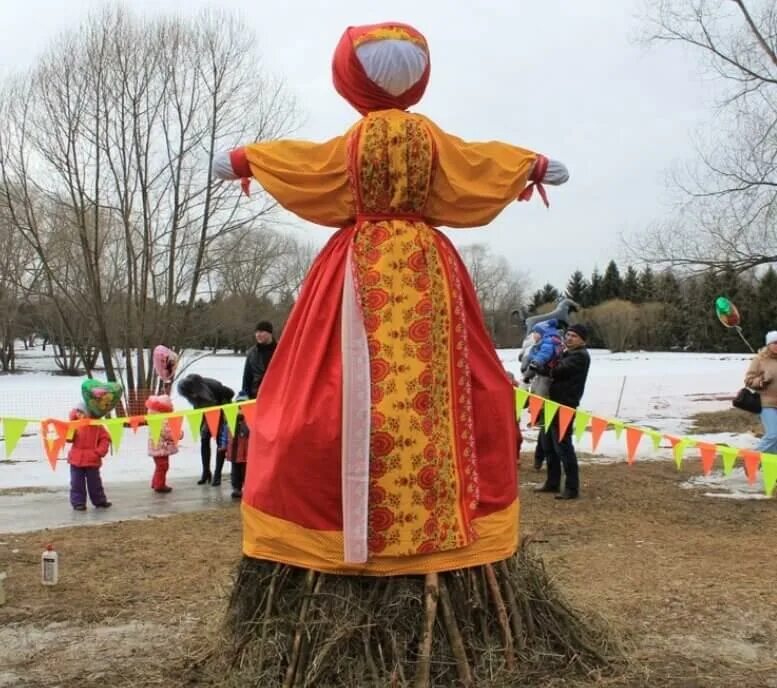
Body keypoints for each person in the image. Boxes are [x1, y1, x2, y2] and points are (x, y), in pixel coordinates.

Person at [210, 22, 568, 574]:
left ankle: (354, 524)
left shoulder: (353, 145)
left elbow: (309, 164)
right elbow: (475, 164)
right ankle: (438, 517)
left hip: (355, 266)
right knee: (446, 380)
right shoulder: (429, 139)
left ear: (348, 78)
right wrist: (532, 165)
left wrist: (248, 160)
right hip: (429, 268)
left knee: (335, 385)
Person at [536, 323, 591, 500]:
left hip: (564, 406)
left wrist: (542, 368)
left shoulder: (580, 356)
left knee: (563, 446)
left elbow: (558, 371)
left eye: (574, 336)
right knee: (548, 444)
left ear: (582, 340)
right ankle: (552, 482)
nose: (568, 338)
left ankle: (571, 488)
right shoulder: (566, 353)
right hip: (550, 404)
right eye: (567, 335)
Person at [177, 374, 234, 486]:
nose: (191, 396)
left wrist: (224, 415)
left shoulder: (214, 386)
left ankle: (217, 475)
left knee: (220, 443)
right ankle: (206, 472)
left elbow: (230, 393)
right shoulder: (190, 391)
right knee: (204, 439)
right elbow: (197, 406)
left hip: (221, 411)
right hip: (205, 413)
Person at [67, 402, 112, 511]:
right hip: (76, 459)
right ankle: (78, 503)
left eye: (81, 412)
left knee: (95, 482)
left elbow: (105, 438)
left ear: (88, 413)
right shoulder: (74, 424)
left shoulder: (97, 426)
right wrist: (70, 431)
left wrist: (99, 452)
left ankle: (100, 501)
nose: (78, 414)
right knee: (76, 483)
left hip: (92, 459)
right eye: (77, 411)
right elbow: (68, 439)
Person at [744, 330, 777, 456]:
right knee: (773, 435)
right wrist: (762, 380)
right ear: (768, 344)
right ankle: (751, 458)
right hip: (767, 404)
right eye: (775, 343)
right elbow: (748, 380)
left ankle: (773, 470)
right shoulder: (759, 360)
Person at [145, 394, 180, 494]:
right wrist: (179, 434)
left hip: (157, 447)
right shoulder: (162, 419)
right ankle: (159, 485)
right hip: (161, 448)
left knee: (159, 466)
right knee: (163, 466)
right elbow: (167, 433)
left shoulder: (154, 417)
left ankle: (155, 482)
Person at [241, 321, 277, 399]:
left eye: (261, 332)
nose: (258, 335)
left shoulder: (280, 350)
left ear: (270, 333)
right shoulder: (252, 353)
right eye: (256, 332)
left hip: (276, 395)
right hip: (256, 396)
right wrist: (244, 394)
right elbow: (247, 377)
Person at [227, 393, 251, 500]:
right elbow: (225, 431)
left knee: (246, 469)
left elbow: (249, 431)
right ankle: (236, 488)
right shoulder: (231, 416)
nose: (241, 406)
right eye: (239, 403)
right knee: (235, 469)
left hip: (247, 449)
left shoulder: (251, 416)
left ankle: (246, 487)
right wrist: (223, 445)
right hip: (234, 449)